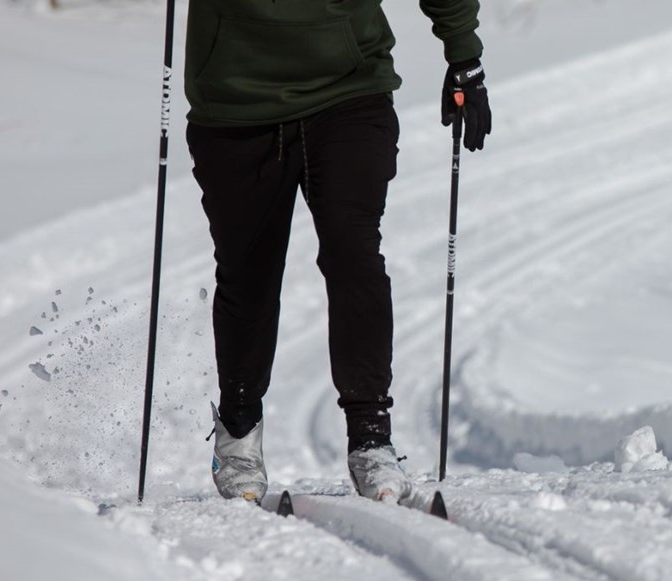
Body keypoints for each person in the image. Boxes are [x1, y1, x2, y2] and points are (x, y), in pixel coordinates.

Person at [183, 0, 491, 503]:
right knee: (248, 273)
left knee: (354, 254)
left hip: (349, 89)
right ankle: (238, 432)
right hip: (235, 100)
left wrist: (463, 54)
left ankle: (371, 436)